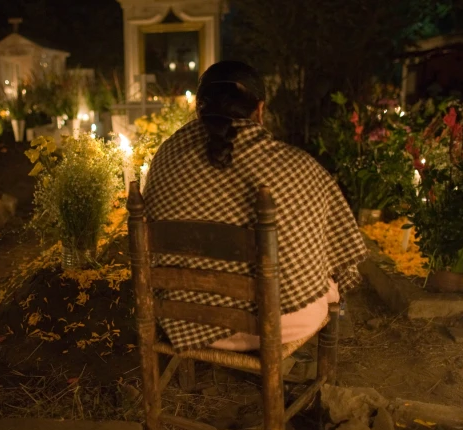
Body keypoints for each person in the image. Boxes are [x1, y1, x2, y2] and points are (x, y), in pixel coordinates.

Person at [143, 60, 367, 352]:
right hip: (279, 325)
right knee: (328, 276)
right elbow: (338, 248)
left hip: (183, 321)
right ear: (259, 110)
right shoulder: (297, 167)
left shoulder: (166, 157)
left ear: (199, 108)